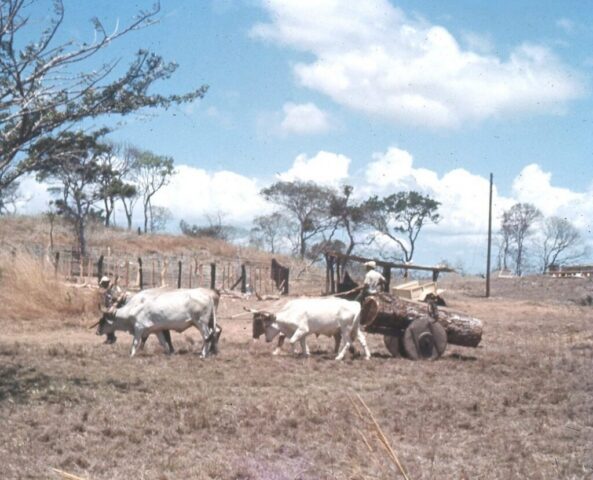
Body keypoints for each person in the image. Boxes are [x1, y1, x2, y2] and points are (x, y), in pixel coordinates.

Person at [98, 275, 124, 344]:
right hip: (109, 308)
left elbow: (117, 297)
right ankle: (110, 338)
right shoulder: (107, 289)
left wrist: (114, 305)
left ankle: (111, 338)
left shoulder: (113, 289)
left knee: (108, 323)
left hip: (113, 308)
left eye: (104, 283)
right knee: (106, 322)